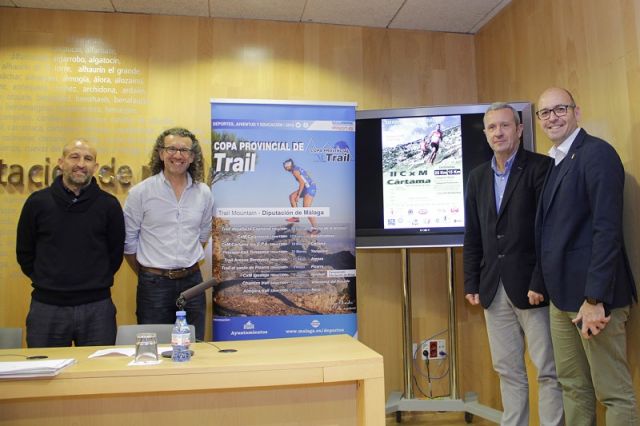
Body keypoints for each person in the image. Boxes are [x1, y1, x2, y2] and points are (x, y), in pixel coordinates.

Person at [534, 87, 639, 425]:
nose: (552, 117)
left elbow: (607, 231)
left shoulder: (597, 154)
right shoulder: (556, 160)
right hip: (562, 300)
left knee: (613, 393)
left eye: (560, 109)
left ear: (577, 112)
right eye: (545, 112)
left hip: (594, 302)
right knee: (574, 387)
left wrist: (595, 298)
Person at [463, 103, 563, 426]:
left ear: (519, 130)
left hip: (532, 288)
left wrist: (540, 280)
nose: (498, 133)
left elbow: (548, 230)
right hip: (493, 289)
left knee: (548, 371)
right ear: (486, 134)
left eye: (505, 126)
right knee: (507, 371)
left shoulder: (541, 168)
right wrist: (471, 283)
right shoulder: (478, 177)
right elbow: (473, 234)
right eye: (492, 128)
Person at [16, 139, 125, 347]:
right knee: (43, 371)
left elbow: (114, 255)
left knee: (97, 375)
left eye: (88, 159)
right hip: (47, 307)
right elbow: (25, 253)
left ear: (95, 166)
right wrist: (50, 281)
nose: (81, 164)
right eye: (74, 157)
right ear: (61, 162)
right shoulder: (37, 203)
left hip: (97, 307)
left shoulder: (109, 205)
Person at [123, 127, 213, 341]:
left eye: (185, 151)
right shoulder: (140, 193)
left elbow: (203, 235)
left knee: (195, 345)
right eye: (172, 149)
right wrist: (151, 271)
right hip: (153, 285)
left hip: (193, 283)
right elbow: (129, 244)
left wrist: (184, 264)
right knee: (153, 346)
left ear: (192, 157)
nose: (178, 155)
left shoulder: (204, 193)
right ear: (161, 153)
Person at [283, 158, 319, 234]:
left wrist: (298, 195)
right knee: (292, 196)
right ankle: (296, 217)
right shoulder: (295, 169)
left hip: (310, 188)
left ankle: (315, 229)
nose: (284, 168)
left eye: (285, 166)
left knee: (306, 208)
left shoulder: (295, 171)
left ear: (289, 166)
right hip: (306, 187)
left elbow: (302, 183)